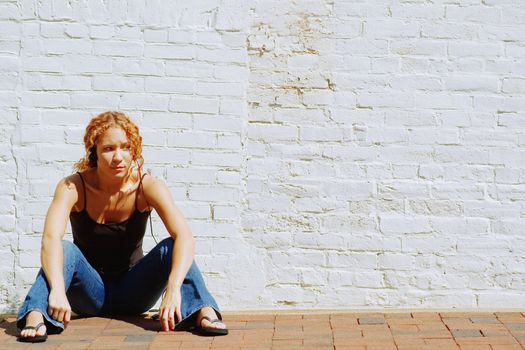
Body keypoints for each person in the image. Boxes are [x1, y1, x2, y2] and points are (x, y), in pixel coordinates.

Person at [16, 111, 228, 343]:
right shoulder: (73, 187)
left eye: (126, 147)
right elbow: (49, 238)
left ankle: (204, 310)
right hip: (89, 294)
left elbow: (185, 237)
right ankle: (36, 312)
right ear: (94, 151)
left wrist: (174, 289)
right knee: (65, 249)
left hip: (135, 291)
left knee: (172, 246)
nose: (118, 157)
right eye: (108, 149)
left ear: (133, 150)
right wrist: (57, 289)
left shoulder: (148, 186)